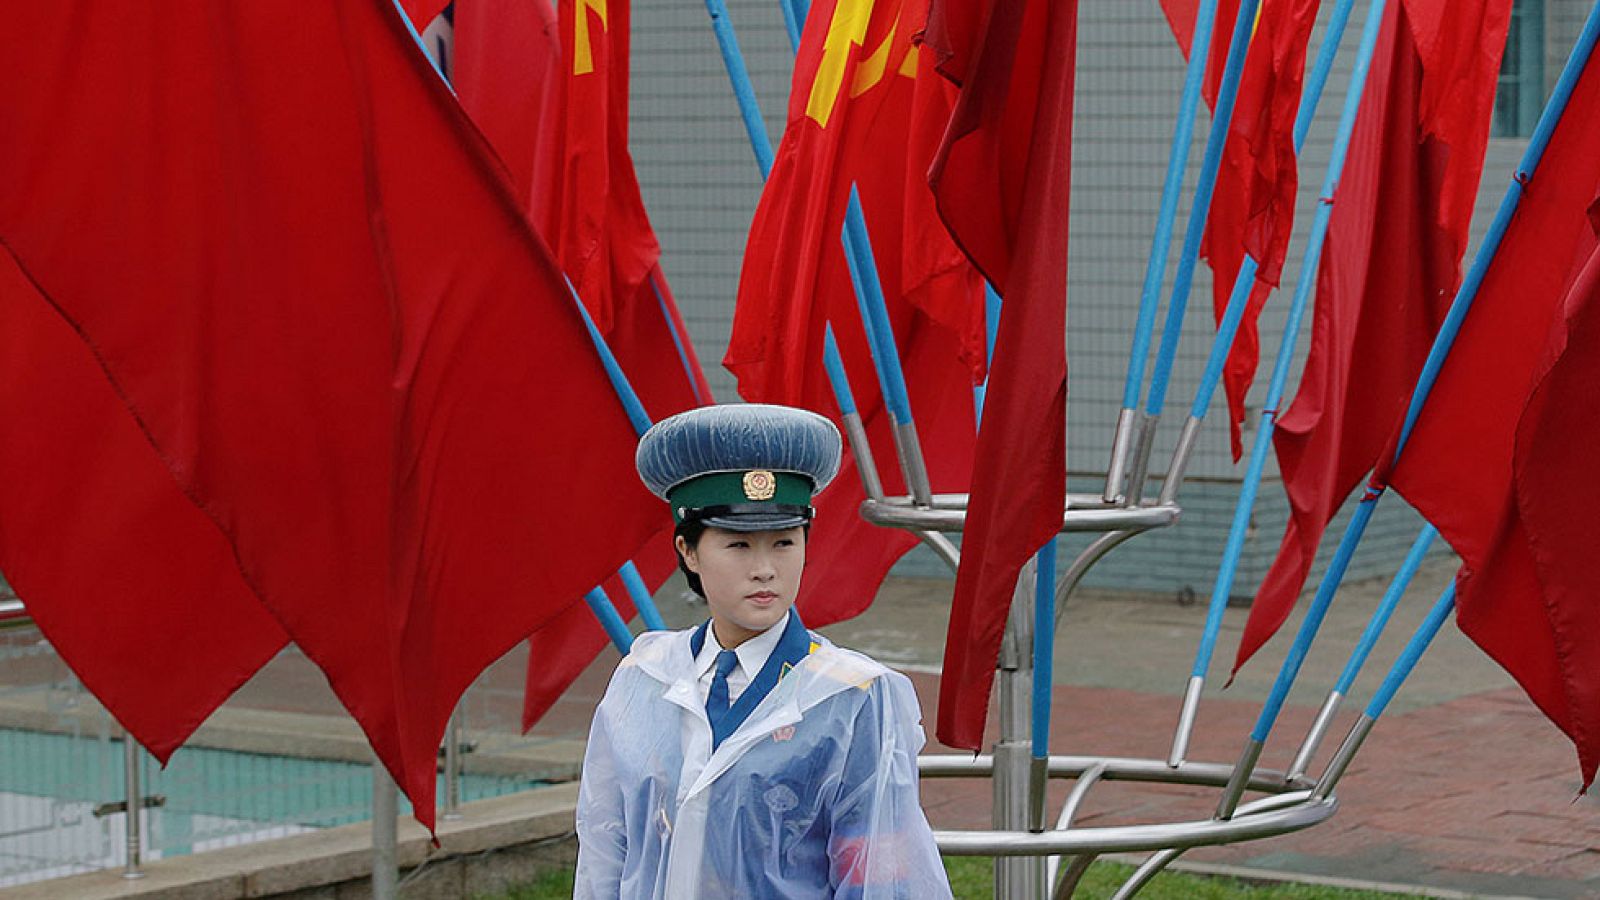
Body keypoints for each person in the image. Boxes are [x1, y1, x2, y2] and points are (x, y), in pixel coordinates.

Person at [575, 403, 953, 899]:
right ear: (688, 550)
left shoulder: (852, 697)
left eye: (783, 543)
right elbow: (606, 846)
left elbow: (881, 880)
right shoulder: (644, 677)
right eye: (738, 545)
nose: (765, 569)